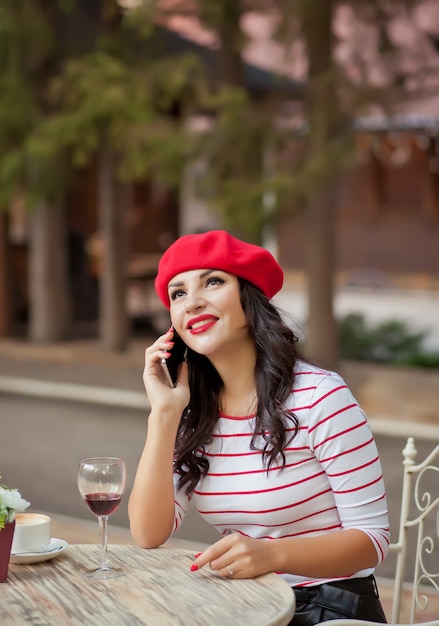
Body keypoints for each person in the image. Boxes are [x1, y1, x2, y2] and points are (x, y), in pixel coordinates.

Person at [129, 230, 389, 625]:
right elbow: (149, 534)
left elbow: (372, 541)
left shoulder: (320, 396)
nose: (192, 301)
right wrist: (163, 414)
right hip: (244, 606)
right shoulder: (193, 415)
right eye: (177, 293)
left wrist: (273, 555)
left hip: (330, 608)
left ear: (249, 298)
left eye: (212, 281)